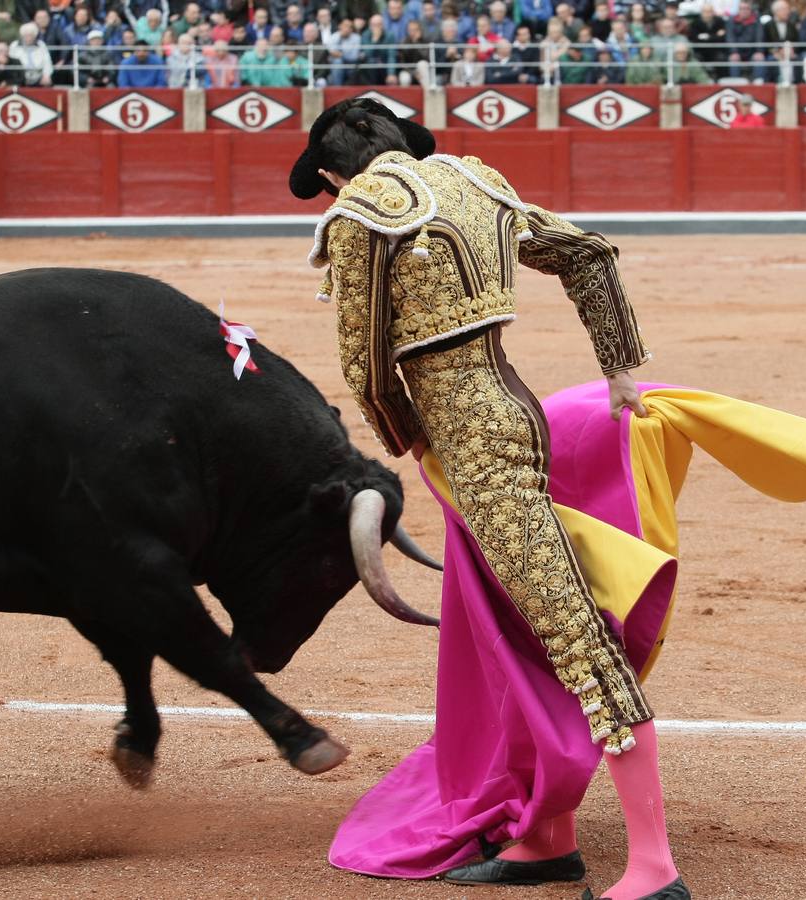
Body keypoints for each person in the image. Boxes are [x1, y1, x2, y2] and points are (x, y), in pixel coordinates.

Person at [291, 97, 687, 900]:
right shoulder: (478, 183)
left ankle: (655, 868)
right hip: (517, 410)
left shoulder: (362, 213)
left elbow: (366, 363)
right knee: (510, 627)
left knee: (570, 633)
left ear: (331, 176)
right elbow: (590, 255)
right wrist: (621, 370)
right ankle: (546, 836)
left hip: (472, 442)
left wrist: (409, 440)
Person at [9, 21, 53, 86]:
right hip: (21, 76)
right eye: (26, 35)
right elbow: (11, 63)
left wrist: (46, 75)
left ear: (35, 35)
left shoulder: (41, 45)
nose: (28, 38)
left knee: (48, 82)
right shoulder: (15, 45)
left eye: (30, 35)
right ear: (22, 35)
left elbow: (47, 62)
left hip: (38, 75)